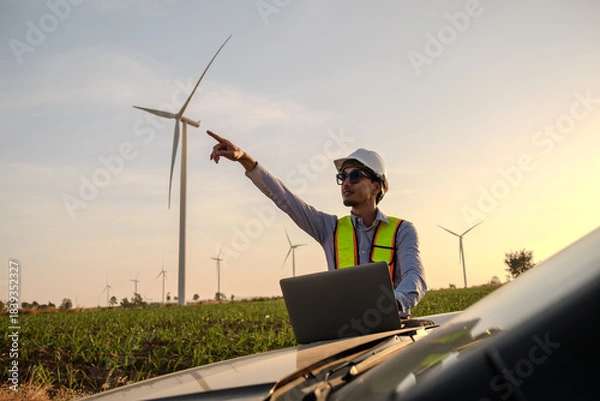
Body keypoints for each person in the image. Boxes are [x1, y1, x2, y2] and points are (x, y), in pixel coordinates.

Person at [206, 130, 427, 318]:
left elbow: (415, 276)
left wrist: (391, 305)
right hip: (344, 333)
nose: (346, 182)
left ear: (377, 186)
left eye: (355, 175)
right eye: (342, 177)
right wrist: (245, 158)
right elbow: (286, 199)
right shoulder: (329, 228)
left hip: (392, 330)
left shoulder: (402, 230)